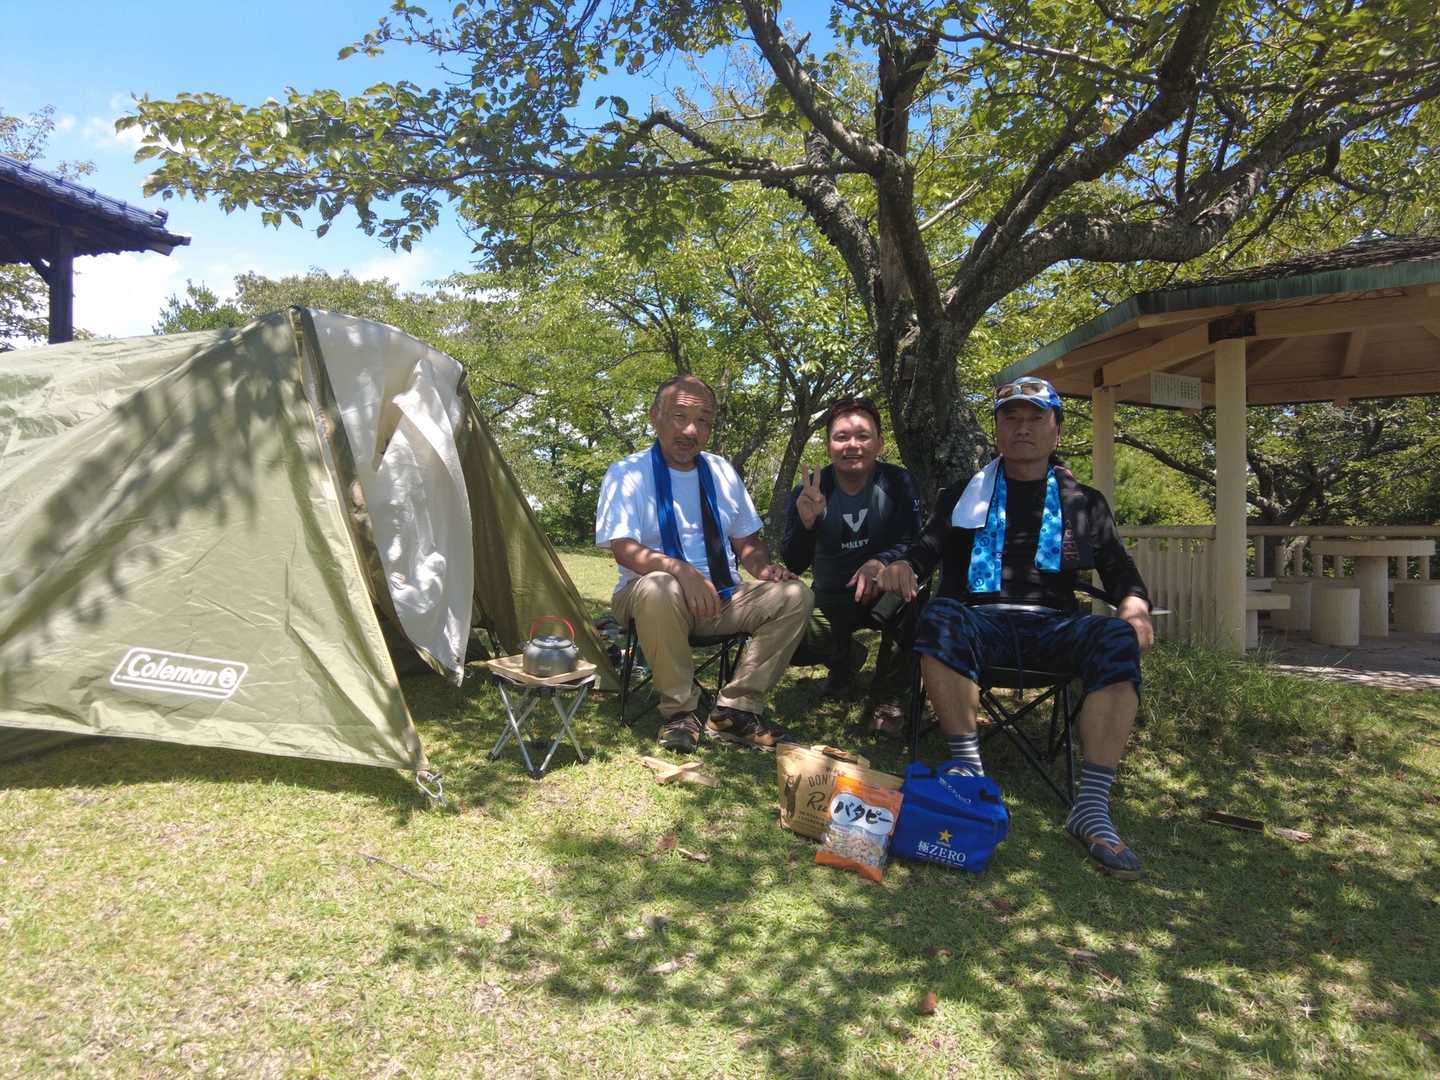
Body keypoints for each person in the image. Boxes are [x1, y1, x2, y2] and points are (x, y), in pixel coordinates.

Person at [876, 376, 1155, 879]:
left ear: (1057, 431)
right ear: (998, 430)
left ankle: (1092, 806)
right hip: (978, 625)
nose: (1022, 428)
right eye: (1011, 418)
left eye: (1035, 418)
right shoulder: (962, 496)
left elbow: (1119, 569)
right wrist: (903, 567)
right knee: (940, 616)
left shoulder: (1083, 502)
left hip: (1054, 626)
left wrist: (1135, 604)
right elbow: (924, 550)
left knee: (1116, 636)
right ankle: (967, 774)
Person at [595, 374, 814, 753]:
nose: (691, 430)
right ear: (655, 416)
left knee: (796, 595)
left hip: (721, 597)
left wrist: (764, 569)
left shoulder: (722, 471)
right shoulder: (627, 473)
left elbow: (747, 543)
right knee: (660, 586)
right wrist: (683, 572)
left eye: (703, 421)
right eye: (679, 417)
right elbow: (624, 549)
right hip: (650, 599)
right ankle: (680, 712)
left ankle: (735, 711)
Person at [781, 397, 922, 698]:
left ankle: (890, 693)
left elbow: (912, 540)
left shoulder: (898, 482)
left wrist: (880, 563)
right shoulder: (808, 491)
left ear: (880, 443)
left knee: (914, 602)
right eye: (841, 437)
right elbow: (794, 562)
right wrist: (807, 525)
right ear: (829, 446)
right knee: (783, 635)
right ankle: (842, 658)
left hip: (883, 592)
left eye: (863, 436)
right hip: (829, 598)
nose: (852, 445)